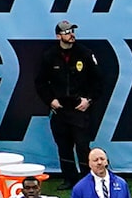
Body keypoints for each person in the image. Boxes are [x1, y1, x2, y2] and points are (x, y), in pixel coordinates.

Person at [40, 20, 99, 179]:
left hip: (80, 108)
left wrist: (89, 100)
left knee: (82, 146)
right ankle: (70, 178)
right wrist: (50, 100)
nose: (71, 34)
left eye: (72, 31)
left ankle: (88, 178)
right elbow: (40, 82)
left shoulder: (84, 53)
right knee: (64, 147)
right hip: (59, 109)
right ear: (58, 36)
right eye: (66, 32)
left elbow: (98, 81)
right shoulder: (49, 56)